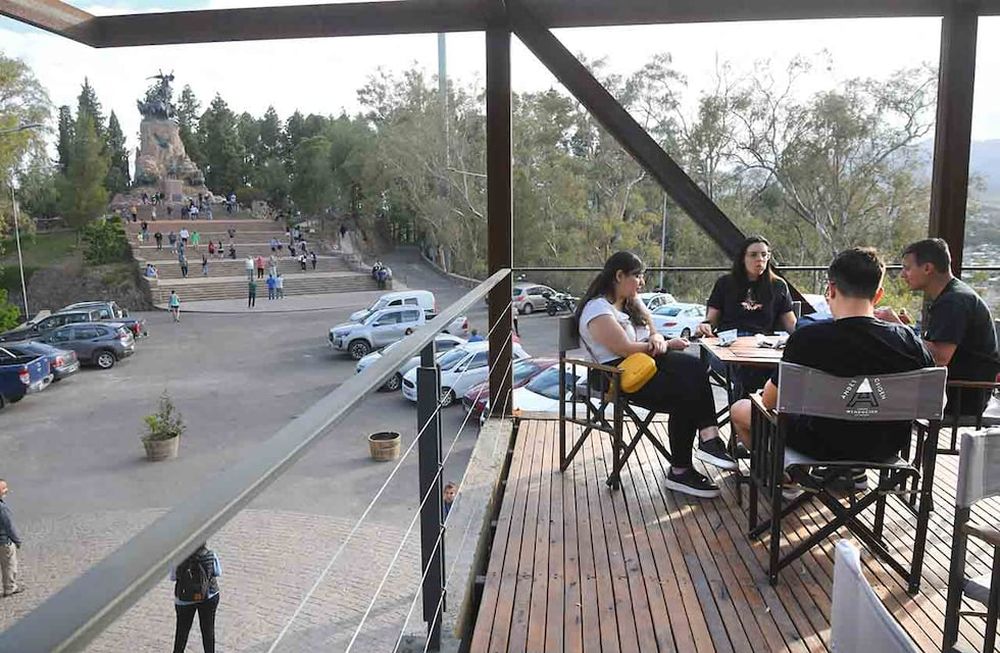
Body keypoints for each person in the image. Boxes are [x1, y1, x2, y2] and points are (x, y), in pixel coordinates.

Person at [730, 248, 934, 476]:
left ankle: (786, 479)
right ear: (878, 295)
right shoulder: (909, 342)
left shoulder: (808, 338)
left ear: (832, 289)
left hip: (819, 443)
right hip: (884, 446)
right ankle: (851, 476)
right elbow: (933, 400)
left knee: (740, 409)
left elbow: (769, 401)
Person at [577, 251, 736, 498]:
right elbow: (624, 348)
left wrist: (658, 339)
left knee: (695, 368)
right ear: (619, 276)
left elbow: (654, 331)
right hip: (616, 374)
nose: (641, 282)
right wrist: (665, 345)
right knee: (686, 394)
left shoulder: (632, 301)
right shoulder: (597, 309)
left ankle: (707, 440)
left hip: (646, 362)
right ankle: (682, 469)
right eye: (637, 276)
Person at [876, 238, 1000, 416]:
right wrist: (905, 328)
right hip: (956, 388)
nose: (903, 274)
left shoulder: (954, 301)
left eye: (907, 268)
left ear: (927, 268)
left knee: (878, 394)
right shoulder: (952, 295)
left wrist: (897, 326)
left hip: (961, 394)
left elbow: (940, 356)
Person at [696, 235, 797, 398]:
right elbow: (711, 320)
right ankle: (752, 417)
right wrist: (706, 325)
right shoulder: (725, 283)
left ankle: (742, 416)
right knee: (743, 370)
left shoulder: (778, 286)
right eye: (753, 255)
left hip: (762, 350)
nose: (760, 259)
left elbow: (792, 324)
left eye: (764, 255)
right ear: (742, 258)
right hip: (728, 349)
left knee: (763, 371)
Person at [170, 543, 221, 653]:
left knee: (182, 632)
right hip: (208, 595)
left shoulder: (179, 557)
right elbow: (217, 572)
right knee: (208, 630)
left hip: (184, 598)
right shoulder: (210, 555)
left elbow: (173, 577)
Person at [0, 479, 23, 597]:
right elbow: (9, 526)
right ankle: (9, 588)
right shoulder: (2, 508)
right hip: (3, 542)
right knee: (9, 565)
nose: (6, 490)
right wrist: (17, 540)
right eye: (4, 488)